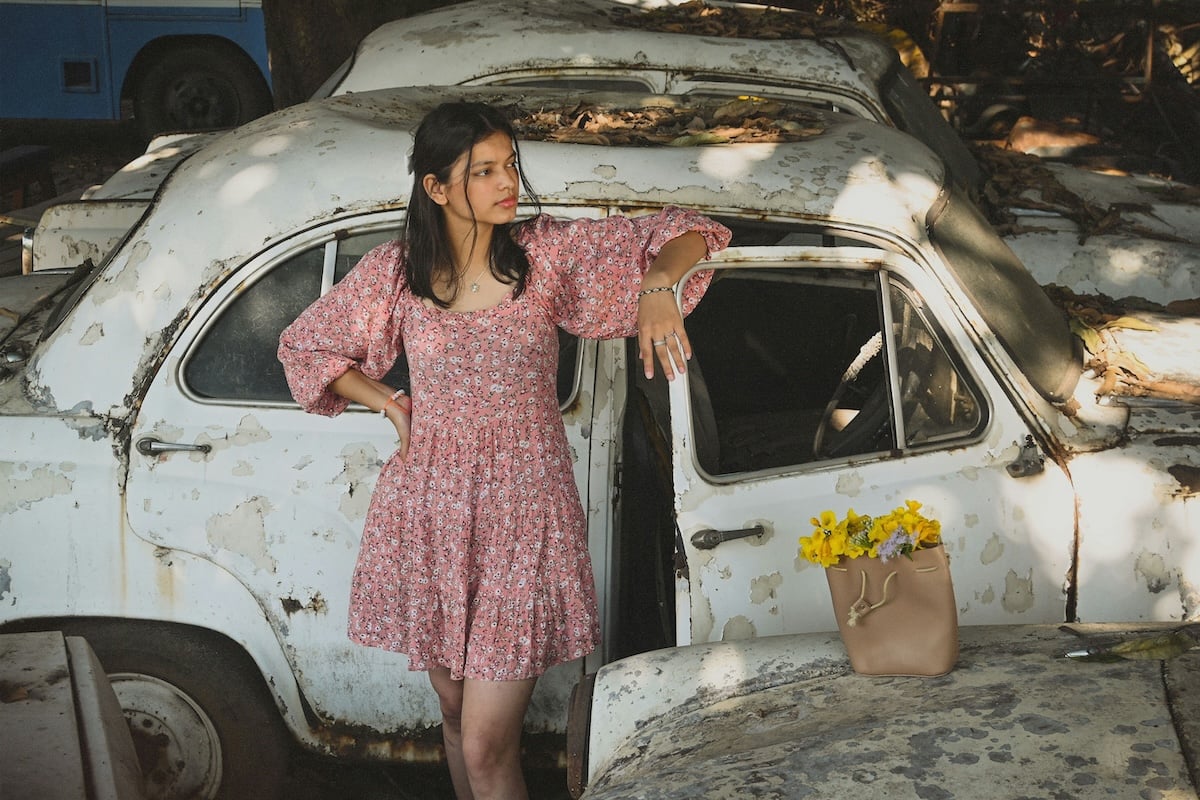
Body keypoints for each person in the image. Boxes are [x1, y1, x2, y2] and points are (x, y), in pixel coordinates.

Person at [278, 101, 730, 800]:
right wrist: (387, 400)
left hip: (524, 516)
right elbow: (305, 347)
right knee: (455, 717)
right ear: (436, 188)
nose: (506, 181)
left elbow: (689, 229)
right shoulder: (395, 274)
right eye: (483, 170)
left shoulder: (545, 255)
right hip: (428, 512)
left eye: (510, 164)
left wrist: (658, 286)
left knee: (488, 742)